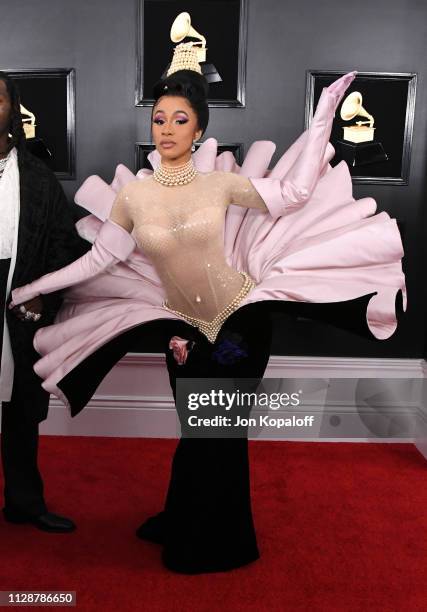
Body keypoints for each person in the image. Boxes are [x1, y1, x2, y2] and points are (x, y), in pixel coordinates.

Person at [8, 45, 406, 572]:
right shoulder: (137, 198)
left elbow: (292, 191)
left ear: (198, 131)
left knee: (215, 435)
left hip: (241, 323)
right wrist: (31, 285)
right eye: (159, 118)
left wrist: (322, 121)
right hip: (185, 331)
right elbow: (99, 260)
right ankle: (186, 516)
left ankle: (220, 543)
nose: (167, 128)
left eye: (180, 119)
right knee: (197, 433)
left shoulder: (219, 185)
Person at [0, 71, 91, 533]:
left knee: (20, 409)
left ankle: (24, 503)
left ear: (11, 109)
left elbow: (65, 244)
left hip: (18, 299)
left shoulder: (36, 176)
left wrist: (41, 298)